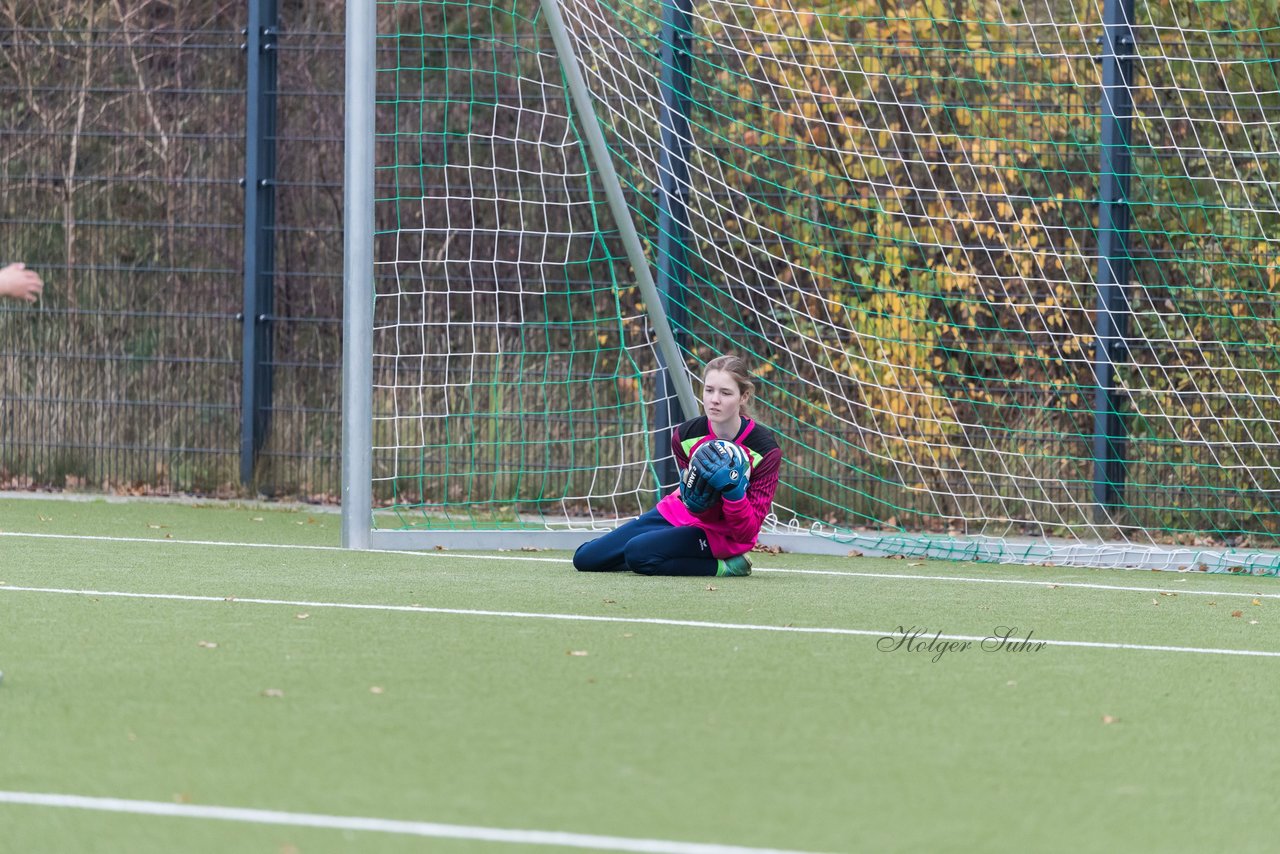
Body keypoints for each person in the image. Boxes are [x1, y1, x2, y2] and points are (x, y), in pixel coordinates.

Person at [574, 354, 782, 577]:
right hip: (677, 514)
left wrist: (732, 492)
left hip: (723, 534)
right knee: (585, 557)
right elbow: (693, 495)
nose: (714, 399)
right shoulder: (685, 436)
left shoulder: (765, 450)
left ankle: (728, 566)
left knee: (638, 553)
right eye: (709, 390)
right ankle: (658, 553)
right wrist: (697, 504)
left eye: (726, 393)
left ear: (744, 396)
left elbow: (746, 533)